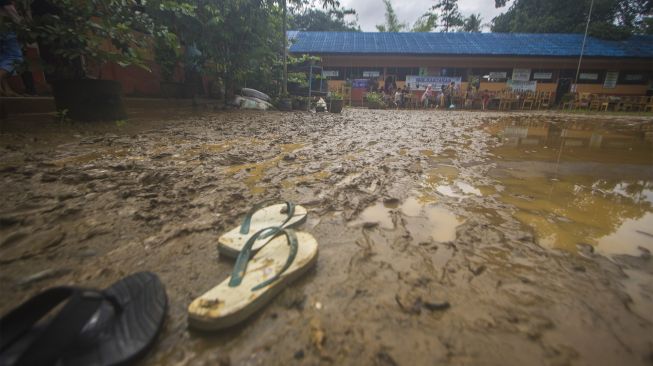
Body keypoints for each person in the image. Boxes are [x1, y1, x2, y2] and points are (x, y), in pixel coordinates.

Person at [0, 0, 23, 96]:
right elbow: (10, 10)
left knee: (3, 59)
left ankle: (6, 89)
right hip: (5, 28)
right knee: (15, 57)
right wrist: (21, 25)